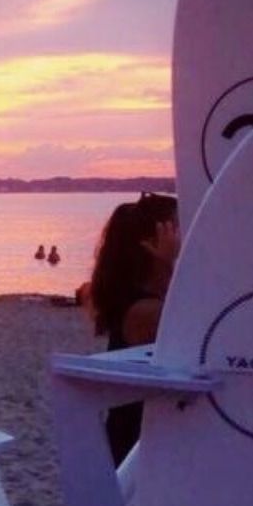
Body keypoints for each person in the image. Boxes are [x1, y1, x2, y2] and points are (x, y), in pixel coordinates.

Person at [87, 192, 179, 464]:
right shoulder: (145, 312)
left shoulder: (142, 299)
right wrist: (171, 263)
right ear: (154, 241)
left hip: (144, 438)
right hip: (137, 446)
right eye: (178, 226)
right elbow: (194, 322)